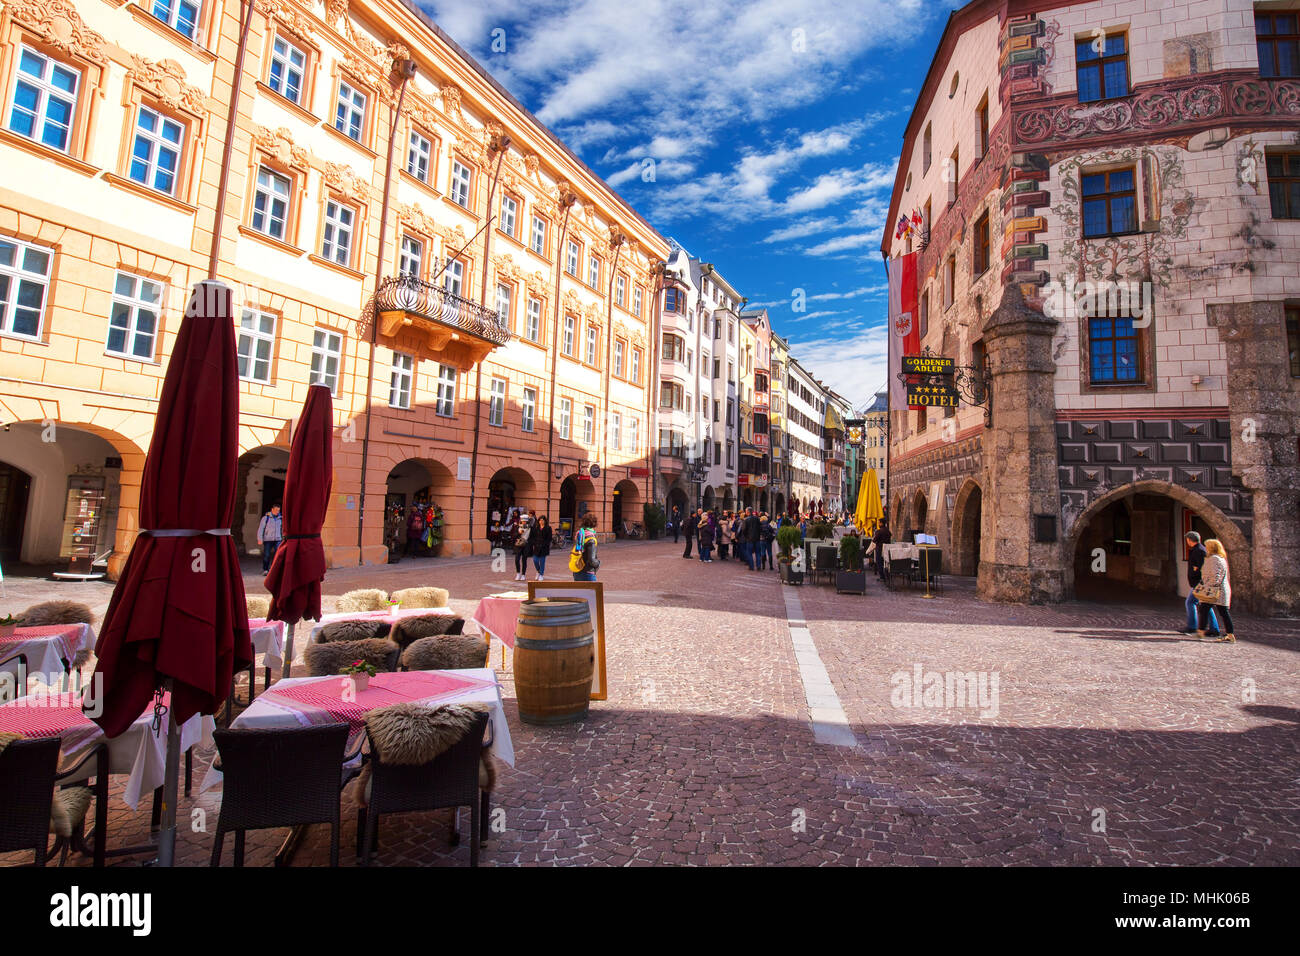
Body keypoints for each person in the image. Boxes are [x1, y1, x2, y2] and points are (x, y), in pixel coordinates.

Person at [1194, 539, 1235, 643]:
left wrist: (1209, 587)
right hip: (1219, 589)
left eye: (1207, 546)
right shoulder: (1220, 558)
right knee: (1223, 613)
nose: (1206, 548)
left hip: (1214, 590)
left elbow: (1215, 575)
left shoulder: (1214, 559)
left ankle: (1201, 632)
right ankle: (1230, 635)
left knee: (1204, 610)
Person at [1181, 531, 1220, 636]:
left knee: (1191, 603)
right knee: (1205, 605)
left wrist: (1195, 571)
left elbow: (1203, 567)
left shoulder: (1198, 550)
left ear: (1189, 540)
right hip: (1199, 583)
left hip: (1199, 583)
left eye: (1187, 539)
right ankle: (1213, 628)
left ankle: (1193, 626)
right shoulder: (1199, 549)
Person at [573, 513, 599, 581]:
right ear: (594, 524)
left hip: (577, 570)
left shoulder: (580, 534)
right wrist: (598, 563)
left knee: (579, 591)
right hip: (588, 572)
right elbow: (592, 560)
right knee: (592, 591)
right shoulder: (591, 539)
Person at [257, 503, 282, 574]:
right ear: (272, 510)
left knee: (277, 555)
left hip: (278, 539)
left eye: (278, 510)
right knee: (267, 555)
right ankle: (265, 569)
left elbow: (282, 529)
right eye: (276, 510)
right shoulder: (266, 518)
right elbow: (261, 529)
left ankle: (274, 569)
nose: (277, 512)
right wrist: (260, 539)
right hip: (268, 539)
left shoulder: (281, 519)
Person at [530, 515, 553, 581]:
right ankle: (538, 571)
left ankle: (541, 574)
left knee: (542, 561)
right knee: (535, 560)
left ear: (545, 521)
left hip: (544, 547)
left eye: (542, 520)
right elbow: (532, 536)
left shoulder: (548, 528)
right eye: (540, 520)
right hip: (536, 546)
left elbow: (549, 538)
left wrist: (545, 544)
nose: (541, 521)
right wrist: (534, 543)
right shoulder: (536, 528)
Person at [512, 513, 532, 581]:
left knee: (524, 560)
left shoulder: (530, 527)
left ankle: (523, 574)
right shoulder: (518, 527)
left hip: (526, 545)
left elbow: (532, 537)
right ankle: (518, 573)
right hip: (518, 545)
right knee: (517, 559)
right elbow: (513, 536)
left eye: (525, 520)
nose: (524, 522)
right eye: (522, 520)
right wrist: (518, 533)